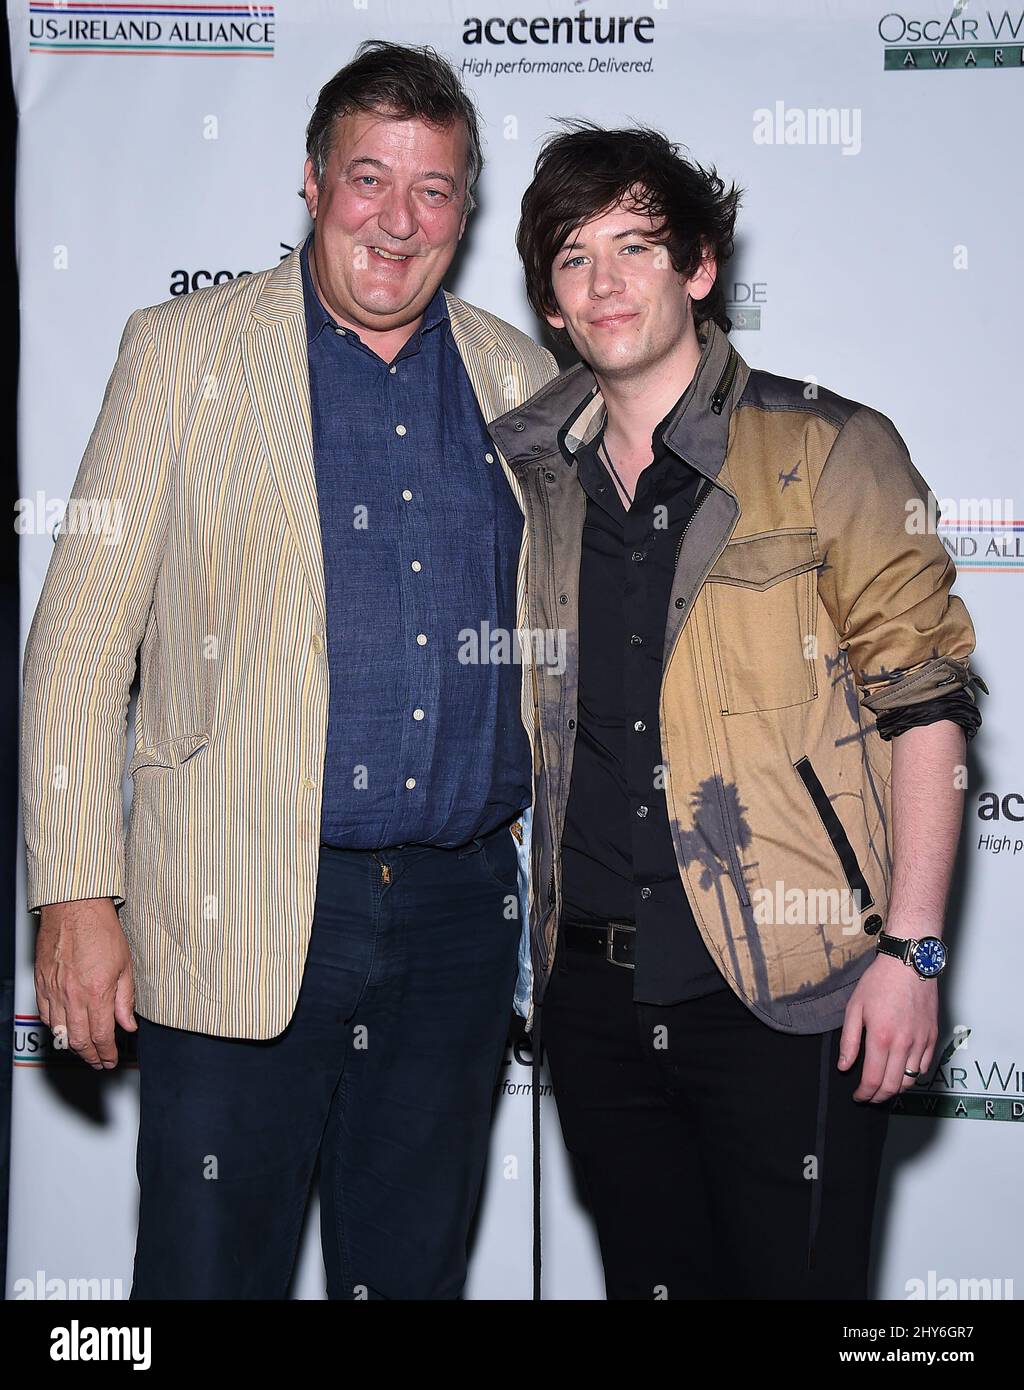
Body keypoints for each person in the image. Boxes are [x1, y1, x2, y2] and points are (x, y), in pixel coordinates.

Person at [21, 40, 556, 1300]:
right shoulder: (180, 352)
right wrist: (75, 896)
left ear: (463, 211)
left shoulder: (522, 379)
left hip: (454, 922)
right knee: (207, 1282)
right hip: (238, 908)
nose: (398, 218)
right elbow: (80, 644)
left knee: (410, 1277)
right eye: (368, 179)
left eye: (433, 190)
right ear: (311, 186)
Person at [489, 121, 984, 1300]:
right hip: (597, 996)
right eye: (572, 256)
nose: (604, 281)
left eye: (634, 247)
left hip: (792, 990)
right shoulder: (529, 481)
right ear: (550, 301)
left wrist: (913, 949)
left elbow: (925, 709)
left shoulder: (832, 449)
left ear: (699, 267)